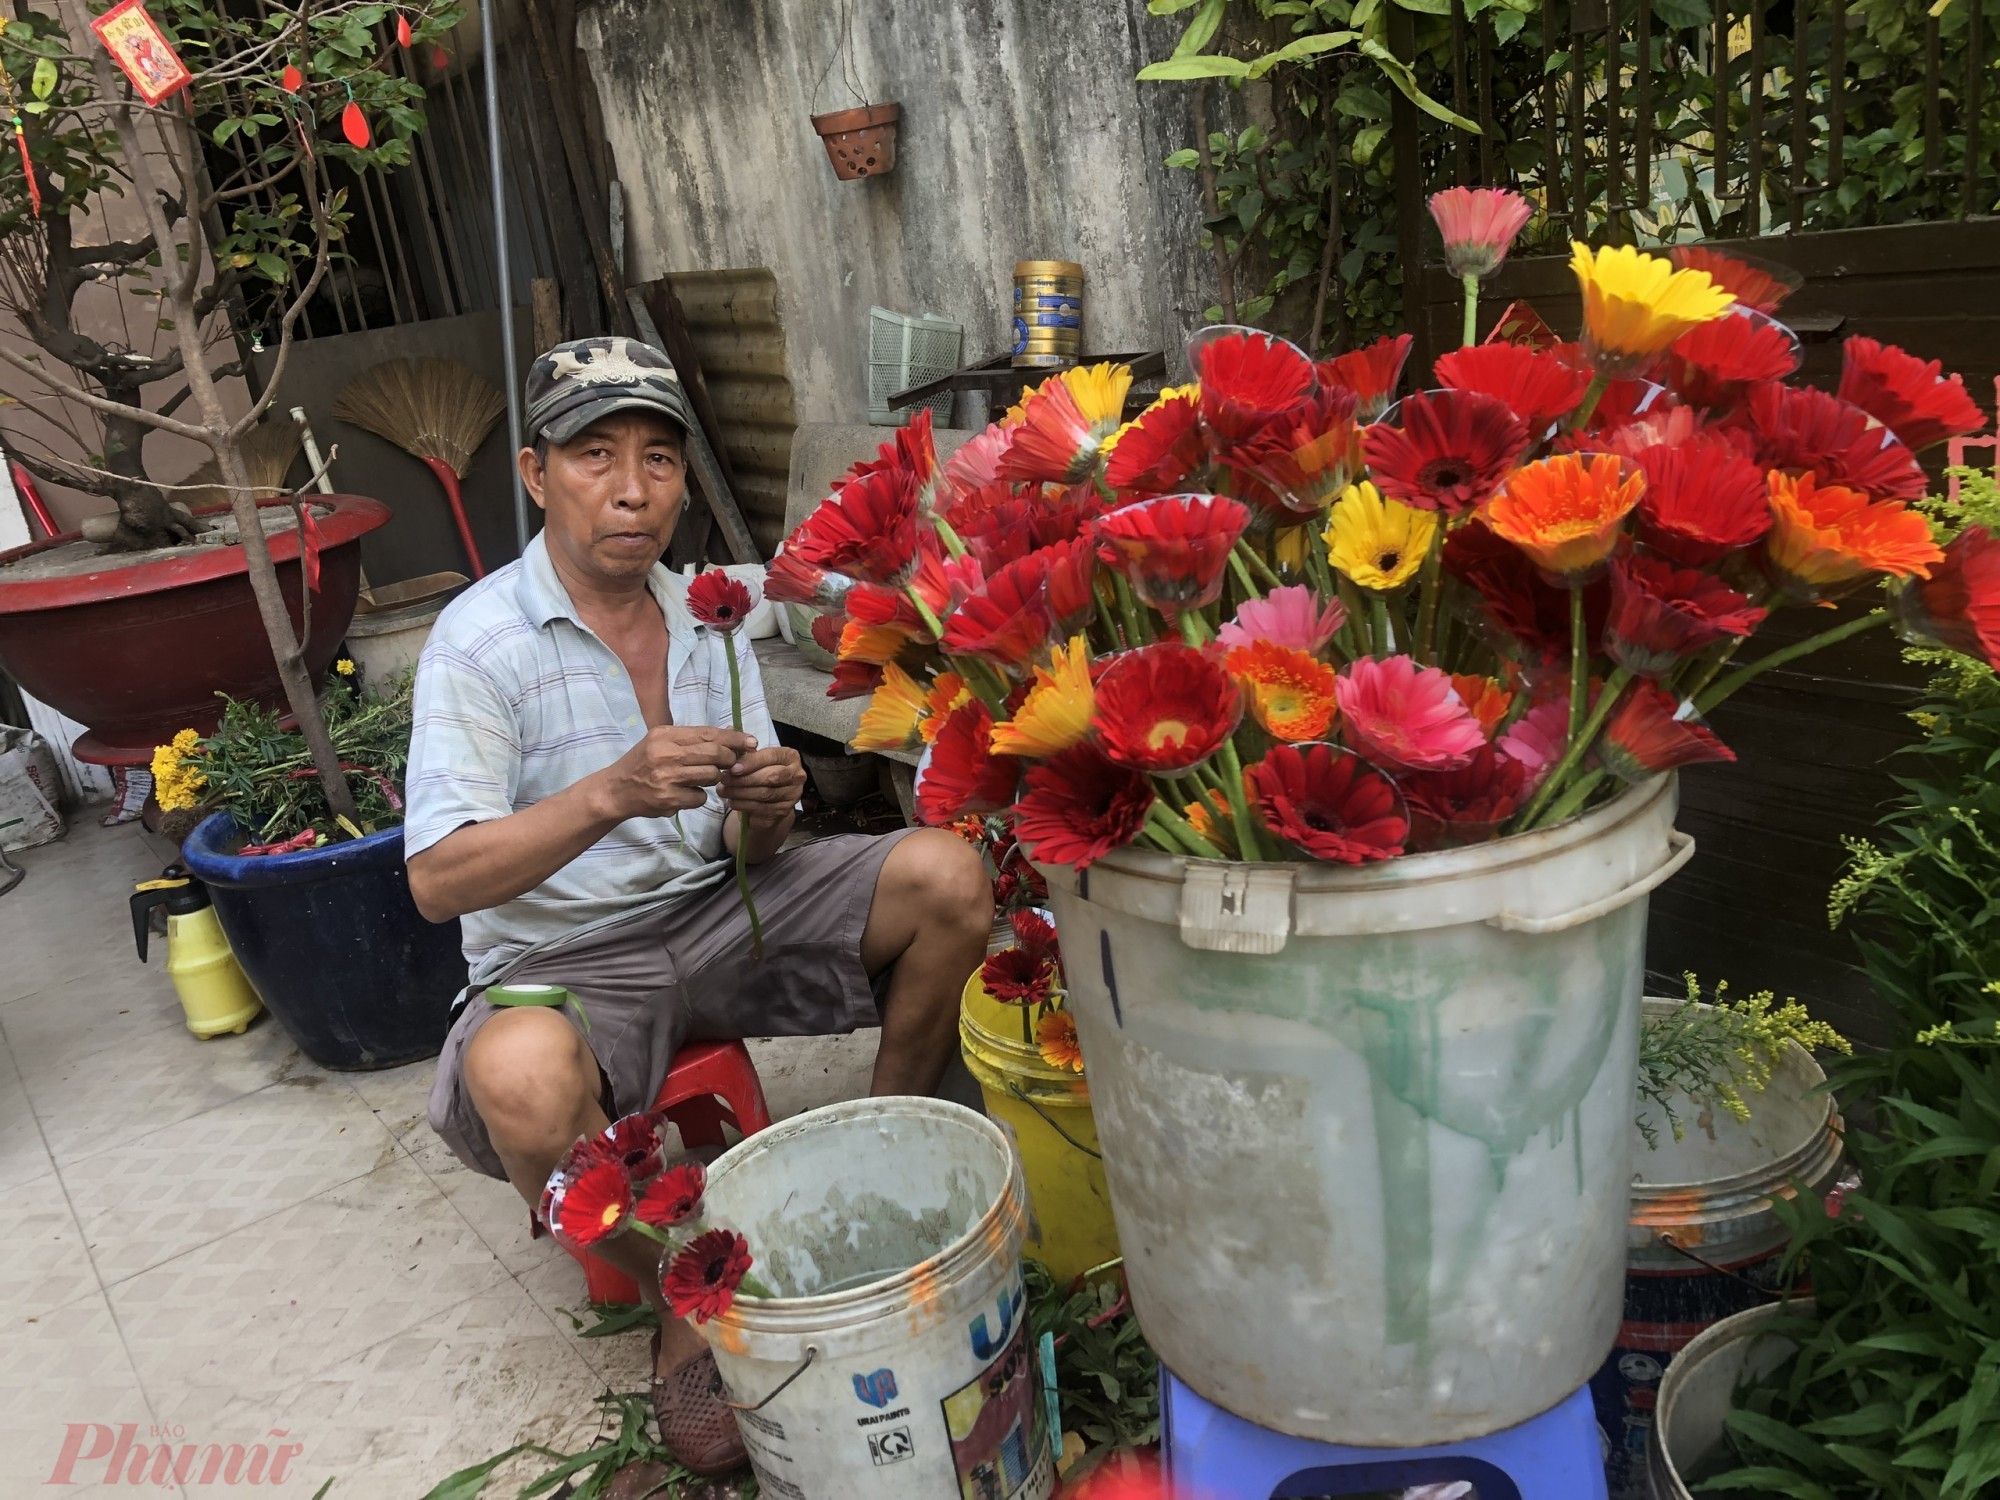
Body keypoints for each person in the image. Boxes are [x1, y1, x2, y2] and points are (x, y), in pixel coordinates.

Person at [405, 337, 992, 1476]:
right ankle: (685, 1291)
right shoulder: (476, 643)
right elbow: (438, 881)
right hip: (567, 952)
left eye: (659, 460)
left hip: (723, 904)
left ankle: (869, 1162)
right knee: (517, 1075)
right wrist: (609, 793)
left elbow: (741, 840)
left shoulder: (711, 611)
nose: (633, 488)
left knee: (946, 877)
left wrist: (768, 808)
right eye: (595, 456)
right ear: (535, 475)